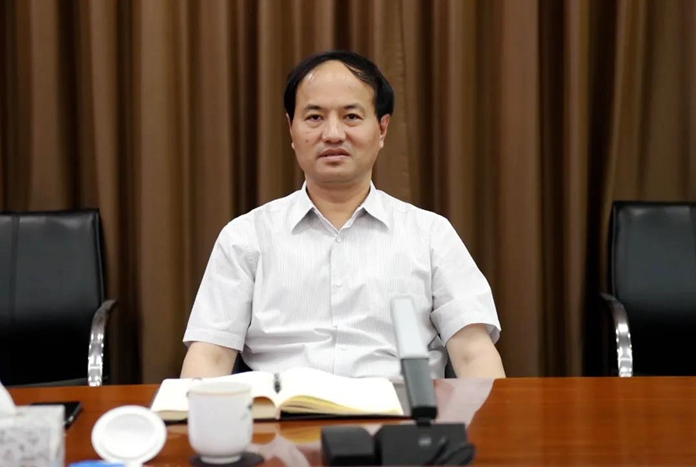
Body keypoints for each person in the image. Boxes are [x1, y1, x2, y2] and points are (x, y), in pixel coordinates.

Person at [181, 50, 505, 380]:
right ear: (291, 129)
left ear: (382, 129)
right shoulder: (246, 237)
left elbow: (473, 352)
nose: (333, 134)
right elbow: (210, 355)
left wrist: (496, 414)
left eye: (351, 116)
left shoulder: (431, 235)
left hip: (401, 408)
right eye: (314, 117)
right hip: (281, 409)